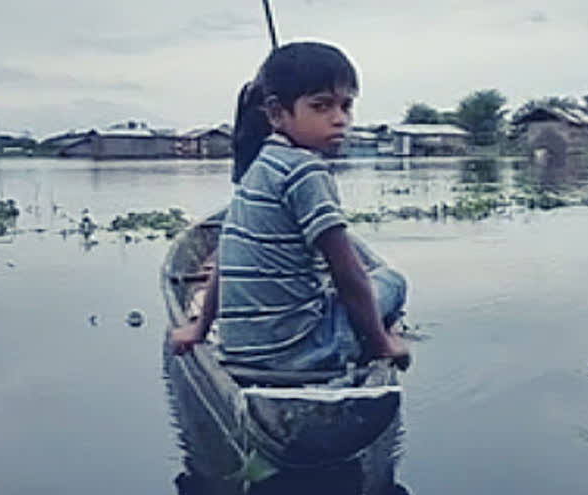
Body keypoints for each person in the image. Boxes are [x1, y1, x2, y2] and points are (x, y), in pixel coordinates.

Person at [171, 41, 410, 371]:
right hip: (304, 351)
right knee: (392, 282)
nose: (339, 119)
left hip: (240, 351)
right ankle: (369, 344)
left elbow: (225, 258)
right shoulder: (306, 171)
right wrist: (383, 344)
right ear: (276, 114)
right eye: (321, 106)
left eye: (346, 106)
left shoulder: (258, 167)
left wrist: (199, 328)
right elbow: (349, 273)